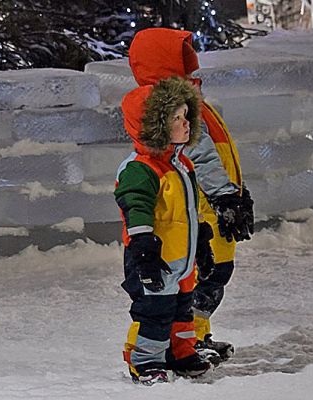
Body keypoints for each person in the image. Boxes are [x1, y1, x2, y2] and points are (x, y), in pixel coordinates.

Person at [128, 28, 255, 365]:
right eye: (181, 54)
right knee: (205, 273)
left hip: (209, 202)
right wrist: (225, 197)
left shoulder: (188, 101)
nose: (191, 60)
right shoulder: (170, 109)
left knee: (206, 271)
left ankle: (195, 335)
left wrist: (237, 193)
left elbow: (217, 152)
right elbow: (198, 156)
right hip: (200, 207)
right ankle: (181, 341)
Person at [115, 76, 216, 385]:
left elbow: (189, 210)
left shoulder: (183, 165)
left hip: (182, 262)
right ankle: (145, 361)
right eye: (177, 118)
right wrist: (143, 245)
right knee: (154, 312)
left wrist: (201, 244)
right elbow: (137, 207)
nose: (186, 124)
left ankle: (180, 352)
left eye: (187, 116)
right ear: (154, 126)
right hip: (153, 258)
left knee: (182, 310)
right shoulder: (141, 168)